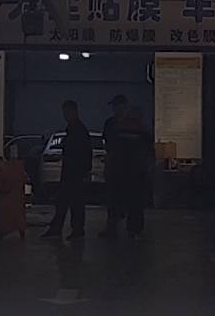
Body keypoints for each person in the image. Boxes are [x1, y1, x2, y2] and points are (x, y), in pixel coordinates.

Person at [44, 98, 96, 247]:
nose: (65, 115)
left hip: (75, 171)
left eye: (67, 112)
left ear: (74, 112)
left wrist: (84, 170)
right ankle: (64, 228)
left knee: (73, 201)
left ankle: (72, 228)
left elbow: (84, 151)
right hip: (71, 171)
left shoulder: (77, 130)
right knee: (67, 201)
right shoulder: (74, 129)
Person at [101, 93, 153, 241]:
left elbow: (111, 146)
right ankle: (132, 230)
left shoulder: (116, 128)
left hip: (120, 170)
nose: (115, 109)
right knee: (134, 202)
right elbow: (148, 149)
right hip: (134, 171)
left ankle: (116, 228)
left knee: (116, 200)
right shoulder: (142, 129)